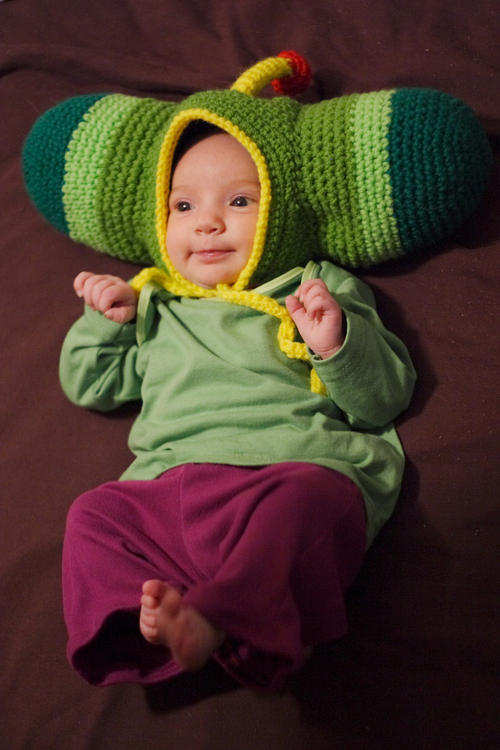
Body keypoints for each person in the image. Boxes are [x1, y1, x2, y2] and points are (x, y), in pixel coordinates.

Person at [60, 125, 416, 690]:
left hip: (287, 467)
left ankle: (221, 616)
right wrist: (106, 323)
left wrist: (333, 340)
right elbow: (90, 384)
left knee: (302, 509)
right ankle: (153, 615)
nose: (207, 222)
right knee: (93, 514)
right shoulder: (157, 301)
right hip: (169, 489)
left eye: (240, 201)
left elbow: (382, 400)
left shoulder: (311, 286)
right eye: (183, 204)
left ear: (282, 212)